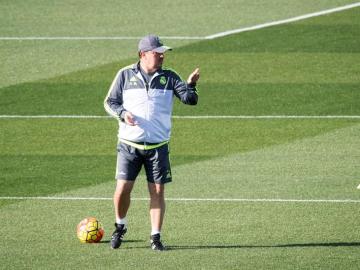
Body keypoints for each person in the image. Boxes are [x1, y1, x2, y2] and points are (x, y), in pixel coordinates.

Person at [104, 34, 200, 251]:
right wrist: (122, 113)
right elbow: (110, 101)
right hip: (129, 144)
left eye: (163, 53)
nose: (162, 56)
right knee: (122, 189)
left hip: (158, 147)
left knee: (157, 192)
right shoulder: (125, 75)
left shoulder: (170, 77)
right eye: (157, 53)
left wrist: (191, 85)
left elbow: (190, 100)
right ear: (143, 54)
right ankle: (120, 226)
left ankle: (155, 237)